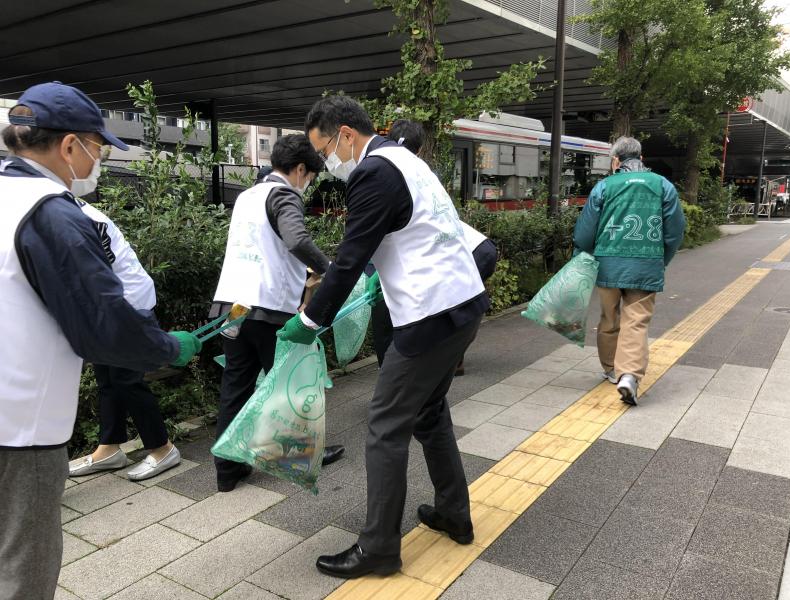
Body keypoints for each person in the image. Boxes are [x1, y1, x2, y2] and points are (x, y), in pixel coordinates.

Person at [0, 81, 201, 600]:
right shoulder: (51, 212)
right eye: (100, 147)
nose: (100, 160)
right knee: (25, 562)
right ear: (70, 146)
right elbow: (104, 323)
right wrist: (168, 348)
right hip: (21, 427)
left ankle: (114, 446)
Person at [278, 96, 488, 578]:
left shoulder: (374, 171)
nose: (326, 163)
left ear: (346, 134)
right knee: (429, 412)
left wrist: (308, 322)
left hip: (430, 315)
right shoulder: (407, 162)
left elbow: (351, 257)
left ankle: (378, 549)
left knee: (384, 426)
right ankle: (454, 513)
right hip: (462, 305)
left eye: (325, 149)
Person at [210, 134, 344, 493]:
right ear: (300, 169)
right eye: (311, 177)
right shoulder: (284, 194)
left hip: (233, 308)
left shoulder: (247, 196)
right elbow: (296, 240)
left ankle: (227, 470)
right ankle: (302, 456)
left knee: (235, 387)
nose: (309, 184)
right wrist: (327, 268)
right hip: (268, 310)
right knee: (292, 383)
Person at [68, 201, 181, 481]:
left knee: (127, 380)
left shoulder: (75, 215)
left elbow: (97, 272)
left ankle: (163, 448)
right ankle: (109, 449)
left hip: (127, 303)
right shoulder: (62, 209)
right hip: (105, 305)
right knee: (107, 379)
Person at [573, 136, 685, 405]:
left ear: (615, 161)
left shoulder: (604, 187)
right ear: (641, 159)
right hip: (645, 264)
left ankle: (611, 369)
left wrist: (581, 256)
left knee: (609, 317)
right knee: (636, 321)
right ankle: (629, 376)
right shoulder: (663, 186)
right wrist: (662, 260)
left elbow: (585, 232)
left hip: (608, 263)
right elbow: (675, 232)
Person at [381, 119, 498, 375]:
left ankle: (451, 359)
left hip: (472, 252)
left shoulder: (392, 170)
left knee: (453, 306)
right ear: (421, 148)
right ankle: (450, 358)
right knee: (457, 307)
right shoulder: (422, 170)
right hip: (476, 247)